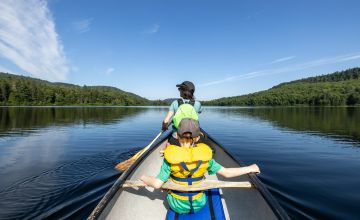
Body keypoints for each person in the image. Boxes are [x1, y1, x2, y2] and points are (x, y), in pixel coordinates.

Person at [140, 119, 260, 214]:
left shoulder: (169, 158)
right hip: (199, 204)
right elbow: (227, 173)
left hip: (176, 205)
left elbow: (157, 184)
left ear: (177, 136)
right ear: (197, 138)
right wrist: (250, 168)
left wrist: (143, 177)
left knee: (165, 182)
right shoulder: (205, 158)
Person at [161, 81, 202, 145]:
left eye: (180, 89)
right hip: (193, 138)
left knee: (168, 144)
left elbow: (166, 121)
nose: (179, 90)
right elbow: (199, 112)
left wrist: (164, 127)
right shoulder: (197, 104)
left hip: (177, 138)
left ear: (184, 91)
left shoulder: (175, 103)